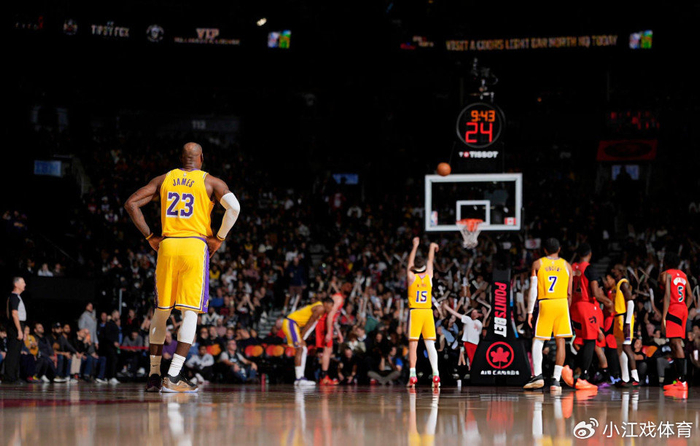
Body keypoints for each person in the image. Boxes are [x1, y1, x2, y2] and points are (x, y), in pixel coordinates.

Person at [125, 142, 240, 393]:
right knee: (189, 313)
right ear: (201, 158)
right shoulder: (211, 182)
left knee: (161, 312)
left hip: (167, 246)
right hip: (194, 246)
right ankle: (174, 375)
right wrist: (219, 238)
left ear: (181, 158)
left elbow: (131, 203)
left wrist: (150, 236)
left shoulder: (164, 179)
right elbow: (235, 208)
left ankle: (154, 375)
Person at [524, 238, 573, 393]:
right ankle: (555, 381)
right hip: (562, 303)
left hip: (546, 303)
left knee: (538, 339)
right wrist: (566, 309)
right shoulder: (567, 265)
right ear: (559, 249)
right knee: (561, 341)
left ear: (544, 250)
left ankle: (538, 376)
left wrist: (529, 311)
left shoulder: (538, 264)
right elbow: (569, 293)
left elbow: (533, 289)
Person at [565, 243, 610, 390]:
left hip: (574, 307)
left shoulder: (571, 268)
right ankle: (583, 377)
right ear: (590, 254)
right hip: (587, 307)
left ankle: (572, 369)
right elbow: (595, 293)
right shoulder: (589, 269)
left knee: (579, 341)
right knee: (590, 341)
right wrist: (608, 302)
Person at [406, 237, 440, 389]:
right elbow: (430, 261)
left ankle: (412, 375)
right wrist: (432, 247)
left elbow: (409, 264)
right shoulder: (429, 275)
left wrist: (415, 246)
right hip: (428, 312)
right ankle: (436, 374)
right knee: (430, 345)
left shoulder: (411, 277)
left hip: (416, 312)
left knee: (413, 345)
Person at [283, 297, 334, 387]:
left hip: (294, 324)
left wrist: (303, 337)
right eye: (331, 306)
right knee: (300, 348)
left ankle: (300, 378)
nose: (331, 309)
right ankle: (299, 378)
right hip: (291, 323)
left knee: (303, 349)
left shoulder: (320, 308)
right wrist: (302, 337)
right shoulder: (320, 308)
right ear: (326, 303)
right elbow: (310, 323)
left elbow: (311, 324)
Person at [660, 252, 693, 390]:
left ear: (666, 262)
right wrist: (684, 307)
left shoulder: (665, 274)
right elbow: (690, 296)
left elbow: (667, 295)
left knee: (676, 343)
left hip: (673, 309)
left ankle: (682, 381)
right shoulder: (683, 275)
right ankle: (678, 379)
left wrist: (664, 316)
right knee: (674, 344)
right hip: (682, 309)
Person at [317, 281, 352, 386]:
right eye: (346, 285)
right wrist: (329, 332)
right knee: (327, 350)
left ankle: (324, 376)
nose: (348, 287)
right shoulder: (339, 298)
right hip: (324, 323)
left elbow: (334, 318)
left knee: (328, 350)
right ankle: (324, 377)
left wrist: (339, 333)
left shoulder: (341, 298)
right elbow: (330, 316)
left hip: (328, 324)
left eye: (350, 286)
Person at [610, 264, 639, 387]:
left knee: (627, 347)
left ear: (620, 271)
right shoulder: (616, 284)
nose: (613, 270)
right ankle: (625, 378)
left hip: (624, 318)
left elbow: (631, 303)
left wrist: (627, 322)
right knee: (620, 349)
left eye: (615, 269)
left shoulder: (623, 283)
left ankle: (635, 377)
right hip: (618, 318)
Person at [442, 304, 482, 371]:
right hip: (467, 343)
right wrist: (447, 307)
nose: (473, 314)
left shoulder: (479, 323)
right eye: (472, 312)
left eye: (475, 312)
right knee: (466, 359)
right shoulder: (467, 319)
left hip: (475, 343)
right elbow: (456, 314)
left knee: (474, 360)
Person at [3, 277, 27, 384]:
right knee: (13, 353)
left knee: (16, 353)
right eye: (23, 282)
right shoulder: (14, 297)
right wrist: (19, 330)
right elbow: (14, 314)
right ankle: (10, 377)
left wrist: (22, 330)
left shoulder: (16, 297)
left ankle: (15, 376)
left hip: (18, 325)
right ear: (16, 285)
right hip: (15, 326)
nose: (25, 284)